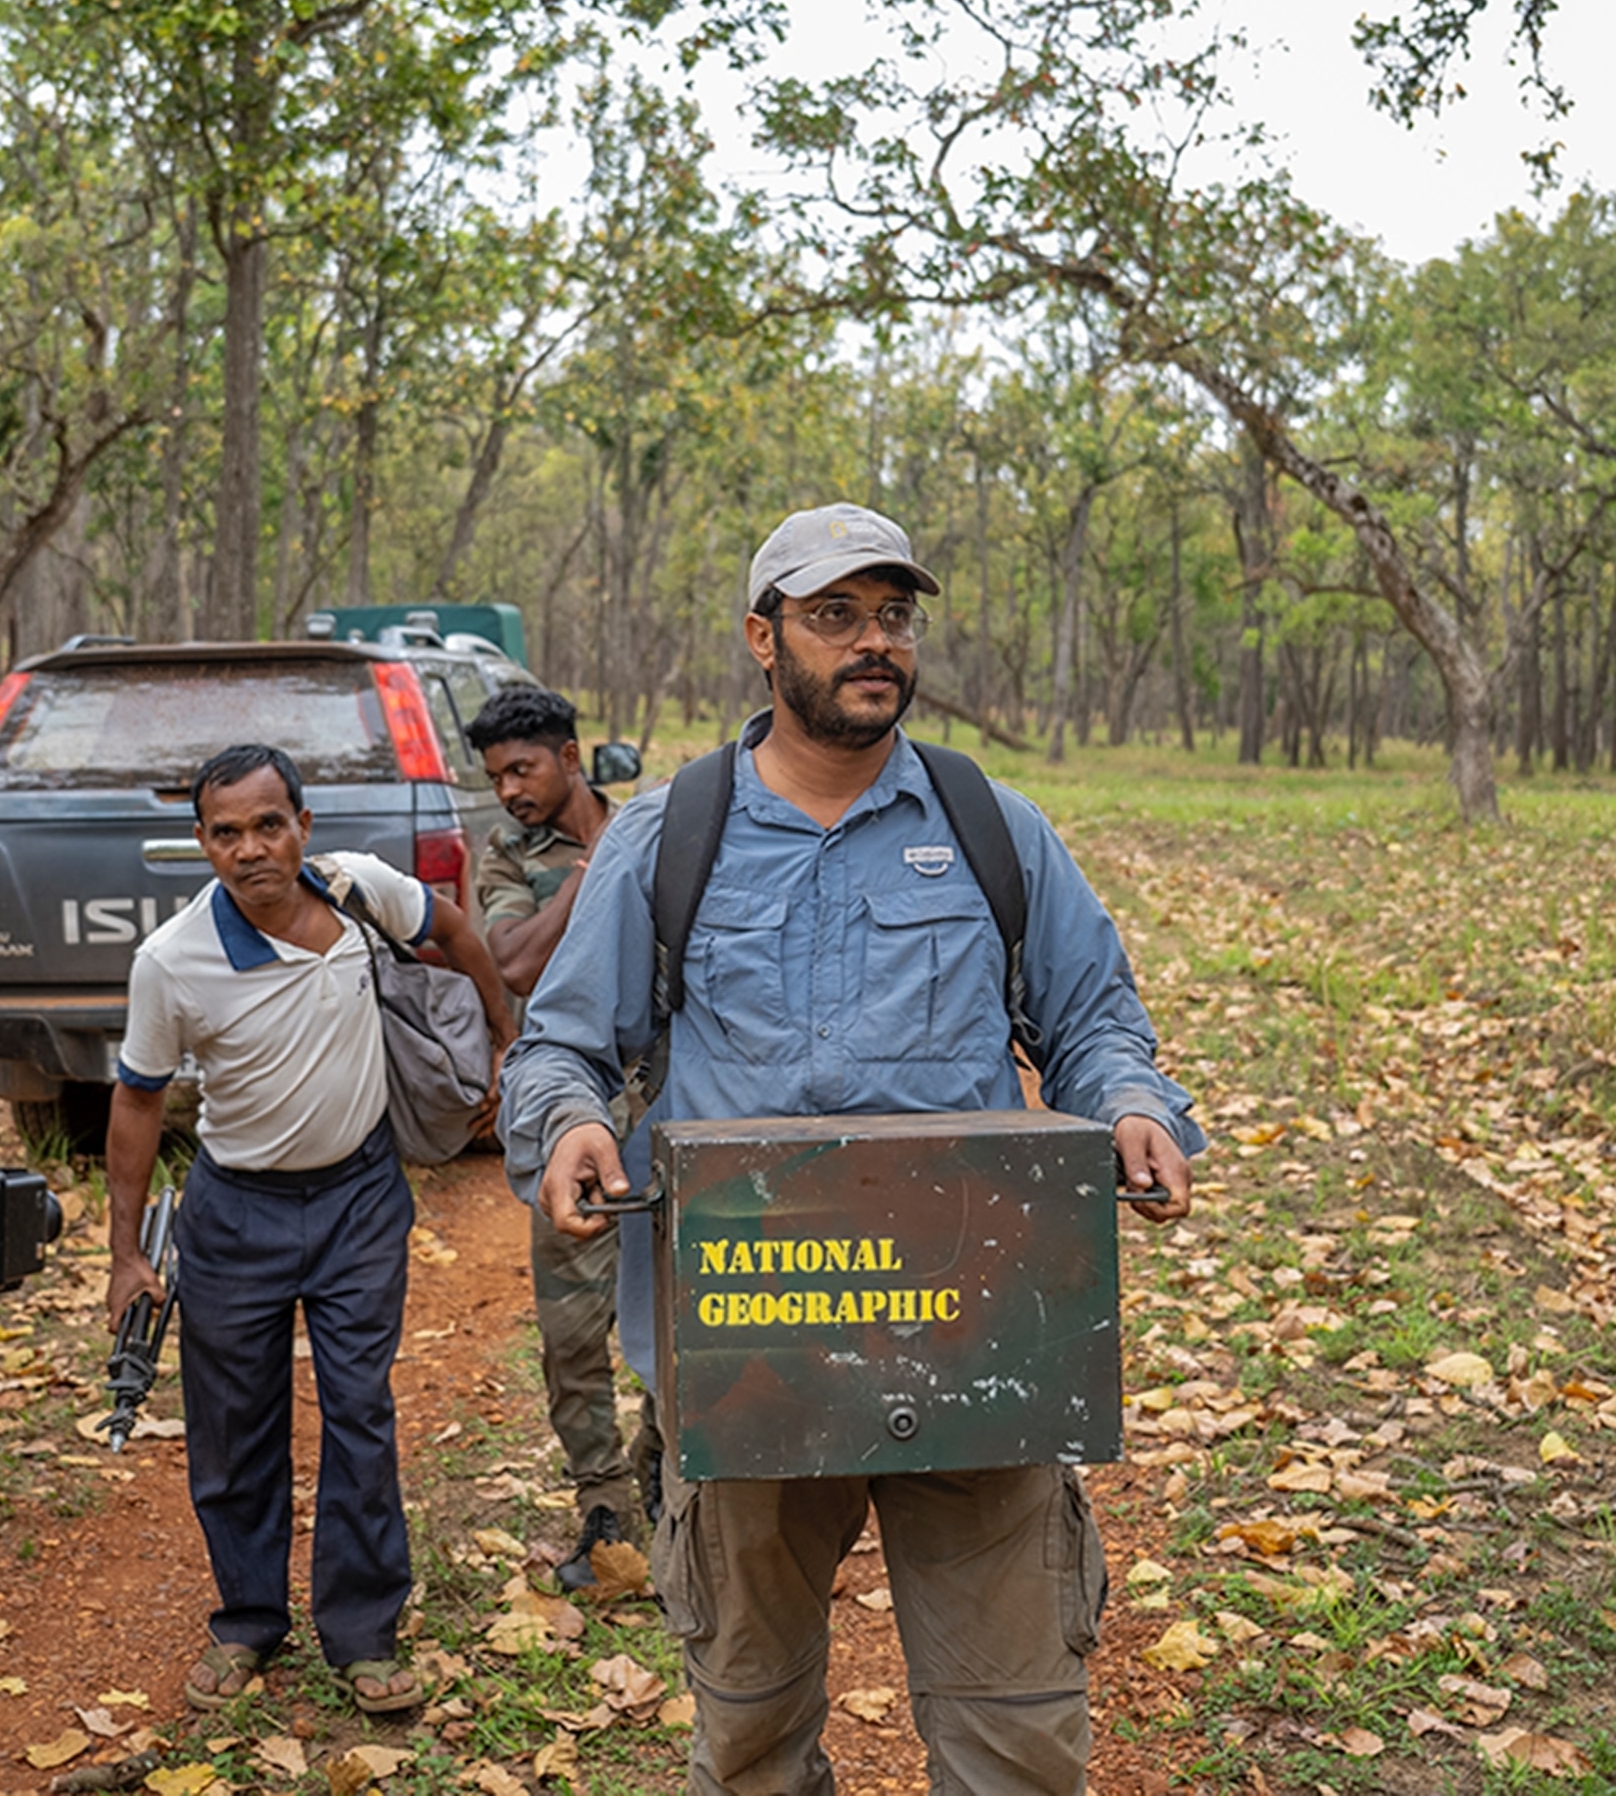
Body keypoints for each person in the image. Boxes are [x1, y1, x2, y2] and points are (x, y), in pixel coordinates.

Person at [501, 503, 1204, 1796]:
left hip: (979, 1340)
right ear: (762, 640)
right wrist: (574, 1125)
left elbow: (1096, 1022)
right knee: (753, 1732)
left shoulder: (996, 826)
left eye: (893, 615)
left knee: (1018, 1740)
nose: (874, 642)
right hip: (747, 1347)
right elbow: (559, 1050)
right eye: (836, 615)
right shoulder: (670, 835)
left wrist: (1133, 1110)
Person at [104, 743, 514, 1720]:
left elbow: (453, 927)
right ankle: (247, 1618)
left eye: (268, 823)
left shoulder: (360, 891)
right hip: (234, 1210)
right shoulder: (172, 961)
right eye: (227, 830)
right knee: (234, 1424)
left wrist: (503, 1034)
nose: (251, 847)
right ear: (202, 841)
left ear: (304, 824)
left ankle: (365, 1633)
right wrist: (124, 1253)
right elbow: (136, 1103)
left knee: (360, 1410)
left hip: (361, 1197)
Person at [460, 684, 655, 1591]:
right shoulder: (509, 855)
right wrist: (593, 874)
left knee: (690, 1301)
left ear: (571, 757)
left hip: (671, 1106)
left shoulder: (658, 825)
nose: (508, 789)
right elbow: (515, 961)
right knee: (574, 1327)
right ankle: (603, 1506)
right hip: (573, 1114)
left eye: (522, 768)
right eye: (496, 774)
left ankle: (669, 1487)